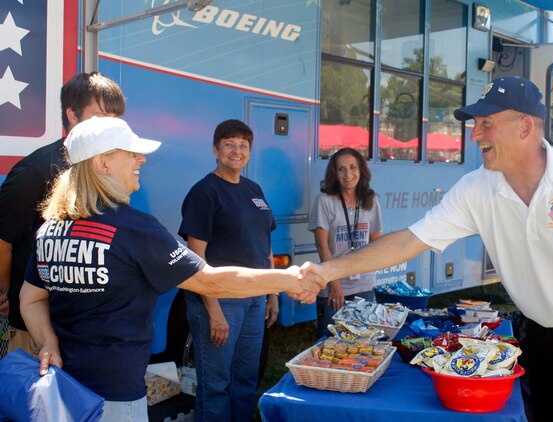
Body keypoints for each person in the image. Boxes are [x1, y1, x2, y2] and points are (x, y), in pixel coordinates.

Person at [301, 76, 553, 422]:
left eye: (486, 123)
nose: (474, 134)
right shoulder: (477, 188)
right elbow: (409, 241)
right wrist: (327, 271)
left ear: (525, 127)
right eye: (475, 124)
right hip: (540, 335)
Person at [19, 116, 321, 422]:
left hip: (64, 388)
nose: (141, 159)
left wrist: (48, 343)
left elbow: (30, 299)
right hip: (116, 393)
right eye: (131, 153)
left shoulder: (51, 229)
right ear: (102, 164)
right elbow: (211, 282)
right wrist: (287, 279)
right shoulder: (133, 228)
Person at [0, 72, 125, 356]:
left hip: (89, 330)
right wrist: (7, 293)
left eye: (115, 118)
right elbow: (2, 244)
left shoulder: (110, 168)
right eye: (101, 116)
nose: (110, 126)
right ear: (72, 114)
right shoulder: (34, 172)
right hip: (35, 331)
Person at [178, 119, 277, 422]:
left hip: (254, 297)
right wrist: (214, 310)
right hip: (220, 300)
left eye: (243, 145)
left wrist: (272, 293)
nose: (237, 151)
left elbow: (265, 244)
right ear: (216, 149)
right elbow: (197, 258)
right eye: (229, 144)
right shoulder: (205, 192)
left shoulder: (253, 189)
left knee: (246, 380)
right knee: (216, 384)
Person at [309, 147, 382, 338]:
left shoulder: (371, 200)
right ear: (334, 173)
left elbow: (376, 242)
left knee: (365, 341)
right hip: (335, 286)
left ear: (361, 170)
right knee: (332, 342)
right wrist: (335, 284)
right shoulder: (324, 201)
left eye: (353, 167)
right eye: (341, 169)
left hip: (364, 285)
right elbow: (322, 245)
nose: (348, 174)